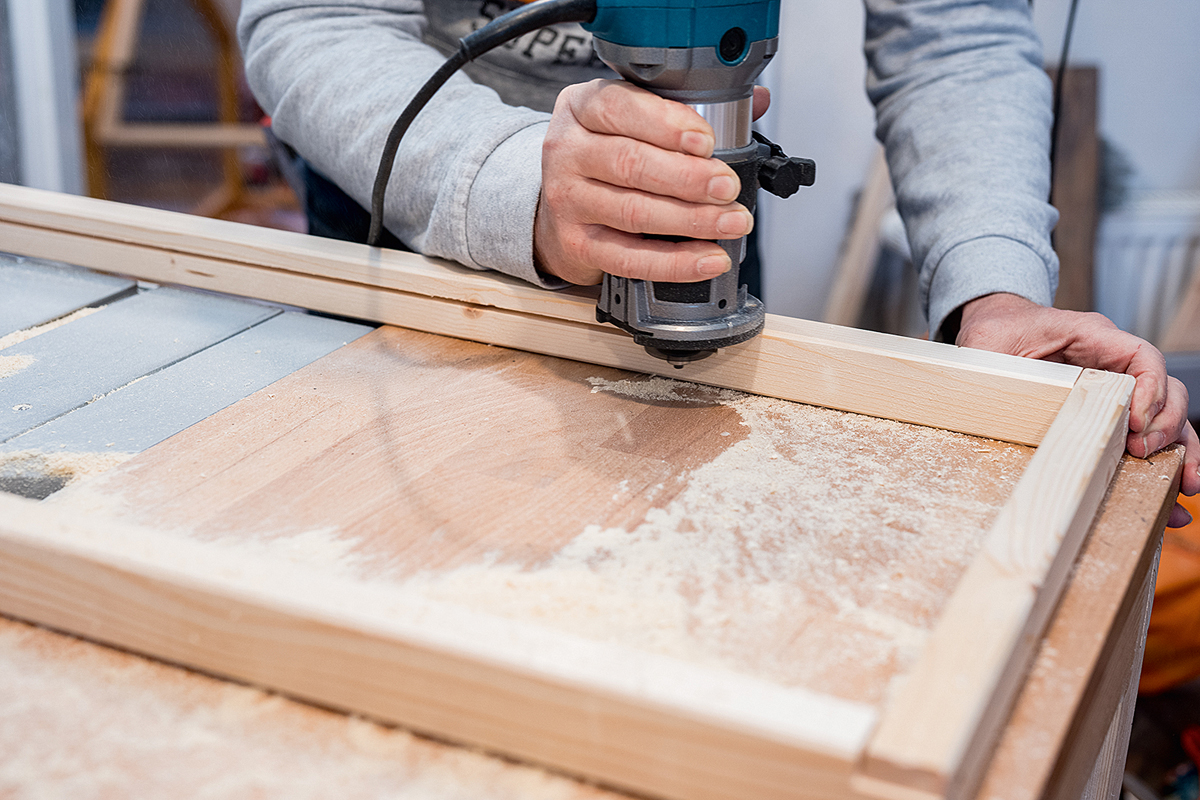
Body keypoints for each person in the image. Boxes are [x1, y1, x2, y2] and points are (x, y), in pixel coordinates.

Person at [237, 0, 1198, 523]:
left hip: (700, 206)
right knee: (386, 543)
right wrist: (512, 184)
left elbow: (955, 27)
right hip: (421, 201)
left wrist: (995, 291)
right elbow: (311, 18)